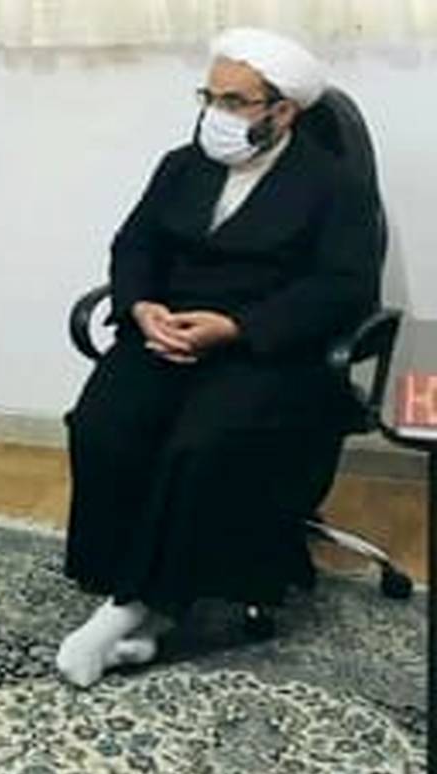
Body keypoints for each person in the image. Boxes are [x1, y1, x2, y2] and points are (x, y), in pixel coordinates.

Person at [57, 29, 379, 689]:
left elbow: (342, 288)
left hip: (265, 348)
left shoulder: (333, 186)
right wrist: (141, 307)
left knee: (201, 443)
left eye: (235, 101)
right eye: (209, 96)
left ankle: (135, 609)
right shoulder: (183, 165)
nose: (216, 113)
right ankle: (125, 586)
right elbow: (134, 244)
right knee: (103, 425)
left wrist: (235, 327)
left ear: (282, 111)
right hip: (168, 332)